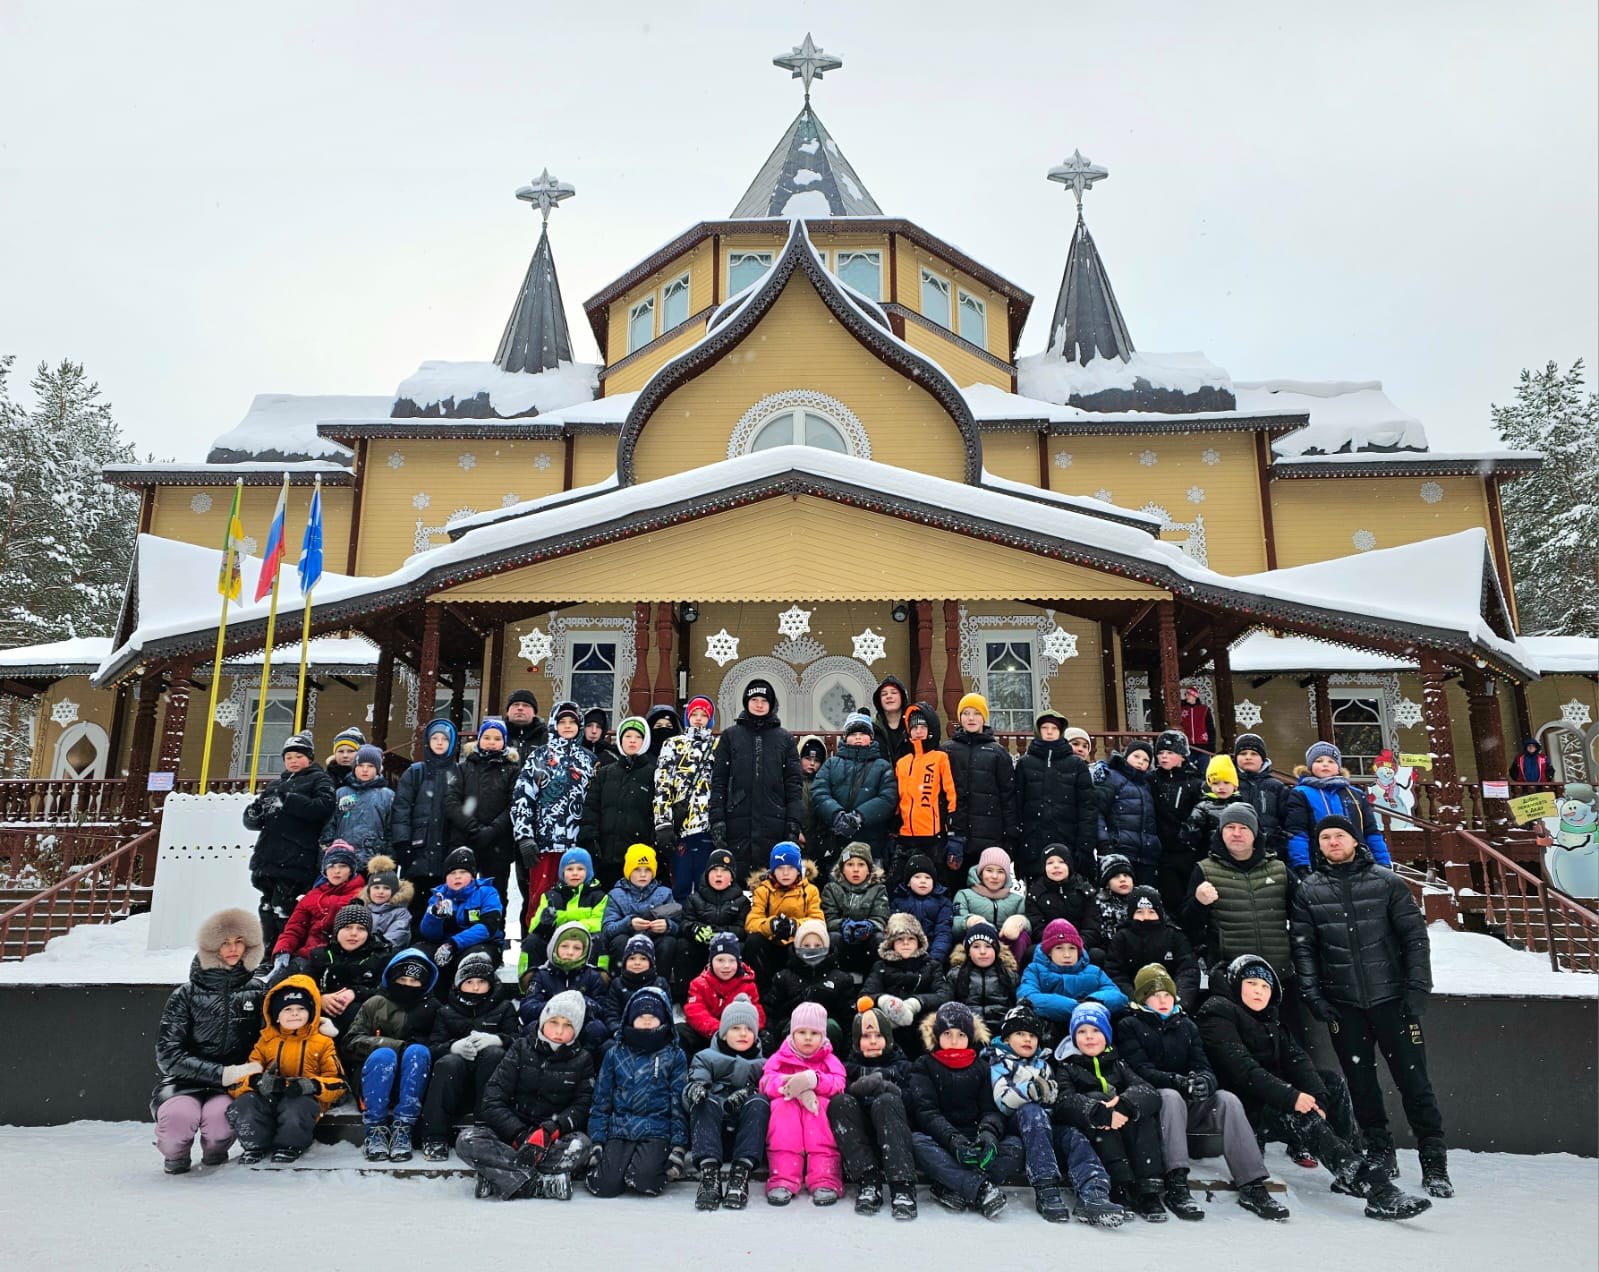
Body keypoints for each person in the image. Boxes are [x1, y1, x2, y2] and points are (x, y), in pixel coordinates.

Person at [1197, 955, 1430, 1221]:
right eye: (1251, 983)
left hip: (1272, 1097)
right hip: (1241, 1108)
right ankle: (1376, 1189)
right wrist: (1292, 1097)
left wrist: (1318, 1097)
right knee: (1301, 1115)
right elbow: (1241, 1069)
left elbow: (1297, 1059)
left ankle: (1350, 1167)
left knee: (1331, 1081)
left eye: (1265, 986)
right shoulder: (1217, 1011)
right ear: (1237, 983)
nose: (1259, 991)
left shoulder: (1269, 1018)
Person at [1291, 814, 1451, 1197]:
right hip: (1343, 1006)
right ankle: (1380, 1153)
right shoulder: (1309, 890)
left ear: (1355, 840)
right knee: (1361, 1086)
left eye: (1339, 836)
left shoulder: (1387, 883)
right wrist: (1314, 995)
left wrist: (1417, 990)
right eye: (1325, 837)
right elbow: (1304, 948)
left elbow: (1415, 939)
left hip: (1392, 1001)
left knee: (1415, 1084)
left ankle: (1434, 1163)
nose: (1332, 842)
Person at [1116, 963, 1286, 1221]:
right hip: (1154, 1107)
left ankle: (1252, 1183)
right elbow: (1141, 1071)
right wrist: (1176, 1081)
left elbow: (1203, 1065)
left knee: (1227, 1100)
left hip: (1189, 1102)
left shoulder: (1187, 1024)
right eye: (1155, 995)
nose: (1163, 1000)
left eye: (1167, 995)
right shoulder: (1129, 1024)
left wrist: (1204, 1081)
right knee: (1170, 1097)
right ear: (1143, 998)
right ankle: (1177, 1182)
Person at [988, 1004, 1125, 1226]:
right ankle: (1046, 1186)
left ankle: (1094, 1191)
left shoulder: (1044, 1063)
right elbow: (1002, 1100)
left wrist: (1049, 1096)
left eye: (1032, 1035)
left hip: (1047, 1123)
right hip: (1017, 1124)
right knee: (1032, 1112)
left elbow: (1054, 1097)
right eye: (1020, 1034)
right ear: (1006, 1039)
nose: (1027, 1040)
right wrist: (1031, 1091)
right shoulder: (1000, 1061)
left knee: (1074, 1136)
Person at [152, 908, 267, 1174]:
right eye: (225, 942)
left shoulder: (258, 990)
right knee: (178, 1119)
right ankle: (176, 1156)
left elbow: (270, 1037)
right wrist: (222, 1073)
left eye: (239, 941)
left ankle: (215, 1156)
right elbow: (169, 1055)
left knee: (219, 1121)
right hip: (184, 1082)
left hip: (234, 1084)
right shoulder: (185, 995)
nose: (232, 948)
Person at [456, 989, 596, 1201]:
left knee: (580, 1145)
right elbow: (493, 1099)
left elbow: (581, 1106)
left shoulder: (583, 1059)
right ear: (542, 1021)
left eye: (567, 1025)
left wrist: (549, 1131)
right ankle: (540, 1183)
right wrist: (519, 1135)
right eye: (554, 1022)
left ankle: (502, 1177)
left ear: (576, 1030)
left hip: (551, 1137)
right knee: (467, 1140)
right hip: (512, 1133)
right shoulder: (520, 1048)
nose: (559, 1030)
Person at [1051, 1001, 1168, 1221]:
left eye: (1096, 1030)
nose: (1089, 1036)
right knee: (1097, 1099)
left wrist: (1124, 1106)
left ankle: (1148, 1189)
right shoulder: (1068, 1066)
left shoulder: (1118, 1063)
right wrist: (1096, 1110)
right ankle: (1119, 1184)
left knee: (1141, 1113)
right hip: (1095, 1130)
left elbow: (1148, 1091)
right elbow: (1063, 1102)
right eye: (1082, 1031)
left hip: (1124, 1125)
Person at [906, 1001, 1017, 1220]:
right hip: (941, 1138)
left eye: (961, 1034)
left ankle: (950, 1184)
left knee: (1015, 1147)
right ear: (937, 1036)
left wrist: (988, 1133)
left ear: (970, 1037)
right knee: (916, 1143)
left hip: (974, 1136)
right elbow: (926, 1112)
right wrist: (952, 1139)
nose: (954, 1041)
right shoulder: (924, 1065)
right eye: (947, 1033)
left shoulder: (982, 1067)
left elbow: (990, 1109)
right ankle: (980, 1188)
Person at [225, 976, 346, 1165]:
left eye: (301, 1009)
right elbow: (238, 1082)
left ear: (312, 1012)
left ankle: (289, 1145)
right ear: (275, 1015)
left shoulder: (323, 1043)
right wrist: (257, 1082)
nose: (294, 1014)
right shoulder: (265, 1043)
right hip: (271, 1096)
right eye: (287, 1009)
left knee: (295, 1107)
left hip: (303, 1097)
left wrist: (312, 1085)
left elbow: (338, 1084)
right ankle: (255, 1144)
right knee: (245, 1103)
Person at [586, 985, 689, 1198]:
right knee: (604, 1186)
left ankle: (647, 1167)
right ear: (630, 1019)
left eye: (653, 1016)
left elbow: (678, 1102)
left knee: (645, 1180)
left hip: (657, 1129)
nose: (647, 1020)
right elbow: (601, 1099)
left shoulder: (674, 1055)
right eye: (641, 1016)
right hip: (620, 1128)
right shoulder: (614, 1054)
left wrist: (678, 1144)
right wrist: (597, 1139)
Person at [418, 950, 519, 1161]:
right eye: (469, 981)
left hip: (490, 1083)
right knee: (448, 1062)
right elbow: (433, 1047)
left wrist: (498, 1039)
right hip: (455, 1084)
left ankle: (487, 1127)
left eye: (481, 981)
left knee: (493, 1054)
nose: (475, 987)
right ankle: (434, 1135)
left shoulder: (504, 1008)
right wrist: (453, 1046)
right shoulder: (446, 1012)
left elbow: (519, 1042)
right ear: (458, 984)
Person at [243, 731, 336, 956]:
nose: (293, 761)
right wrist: (254, 813)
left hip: (297, 856)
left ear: (309, 758)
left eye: (298, 756)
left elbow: (323, 807)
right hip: (268, 856)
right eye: (289, 757)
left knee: (285, 907)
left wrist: (289, 800)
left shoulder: (319, 779)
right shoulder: (276, 784)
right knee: (266, 906)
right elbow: (254, 820)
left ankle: (286, 952)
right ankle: (268, 952)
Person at [1181, 804, 1295, 986]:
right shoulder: (1204, 870)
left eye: (1244, 828)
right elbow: (1189, 927)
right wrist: (1198, 903)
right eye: (1230, 827)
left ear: (1256, 832)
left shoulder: (1279, 870)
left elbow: (1302, 918)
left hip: (1279, 976)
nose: (1236, 833)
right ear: (1220, 832)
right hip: (1231, 978)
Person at [346, 948, 439, 1163]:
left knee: (418, 1052)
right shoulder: (374, 1004)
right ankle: (376, 1129)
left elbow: (439, 1044)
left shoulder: (433, 1008)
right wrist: (396, 1046)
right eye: (402, 979)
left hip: (414, 1080)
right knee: (384, 1054)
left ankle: (403, 1127)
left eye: (414, 981)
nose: (407, 985)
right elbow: (351, 1042)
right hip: (373, 1079)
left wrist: (411, 1049)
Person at [828, 1005, 918, 1219]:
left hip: (894, 1139)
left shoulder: (903, 1067)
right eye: (866, 1036)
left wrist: (892, 1090)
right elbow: (839, 1091)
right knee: (839, 1102)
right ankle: (868, 1179)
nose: (873, 1041)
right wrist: (855, 1090)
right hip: (861, 1141)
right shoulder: (848, 1067)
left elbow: (917, 1102)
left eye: (878, 1035)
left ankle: (902, 1185)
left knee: (886, 1101)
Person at [709, 679, 803, 875]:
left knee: (771, 884)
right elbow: (719, 781)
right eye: (754, 699)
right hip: (737, 823)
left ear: (771, 705)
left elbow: (794, 785)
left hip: (774, 822)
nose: (759, 705)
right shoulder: (730, 736)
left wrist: (793, 822)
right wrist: (717, 820)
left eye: (764, 700)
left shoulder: (785, 739)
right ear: (746, 702)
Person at [513, 700, 598, 915]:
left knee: (574, 903)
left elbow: (596, 802)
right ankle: (535, 946)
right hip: (544, 844)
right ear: (554, 725)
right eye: (562, 722)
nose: (568, 726)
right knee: (539, 902)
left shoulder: (590, 760)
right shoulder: (539, 756)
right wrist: (524, 836)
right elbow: (523, 797)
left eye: (573, 721)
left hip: (577, 847)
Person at [759, 1000, 847, 1205]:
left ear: (822, 1036)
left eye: (814, 1033)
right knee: (782, 1109)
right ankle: (783, 1177)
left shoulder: (829, 1059)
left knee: (822, 1110)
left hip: (816, 1111)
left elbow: (839, 1083)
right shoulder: (779, 1058)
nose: (808, 1038)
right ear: (792, 1034)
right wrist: (786, 1085)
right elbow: (765, 1082)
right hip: (788, 1108)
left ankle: (825, 1177)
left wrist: (813, 1081)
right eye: (802, 1032)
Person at [686, 993, 770, 1211]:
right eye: (735, 1028)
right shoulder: (705, 1057)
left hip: (745, 1138)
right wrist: (696, 1090)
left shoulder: (765, 1064)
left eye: (749, 1029)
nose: (743, 1033)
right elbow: (696, 1080)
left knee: (760, 1101)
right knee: (705, 1102)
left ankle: (740, 1176)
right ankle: (710, 1177)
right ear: (723, 1033)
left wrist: (750, 1093)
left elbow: (773, 1087)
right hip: (713, 1135)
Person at [940, 693, 1018, 888]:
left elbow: (1008, 797)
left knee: (984, 892)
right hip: (955, 836)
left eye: (976, 713)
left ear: (984, 717)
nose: (971, 718)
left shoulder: (997, 753)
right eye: (966, 713)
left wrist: (1010, 836)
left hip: (988, 837)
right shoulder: (946, 751)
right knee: (955, 890)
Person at [445, 716, 520, 917]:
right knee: (460, 891)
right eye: (487, 737)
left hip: (498, 843)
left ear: (504, 742)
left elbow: (514, 805)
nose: (491, 742)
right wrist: (473, 827)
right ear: (478, 739)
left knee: (494, 894)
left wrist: (493, 830)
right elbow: (451, 801)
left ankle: (494, 936)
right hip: (464, 839)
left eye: (497, 738)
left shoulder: (512, 771)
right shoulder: (463, 767)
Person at [1015, 707, 1098, 880]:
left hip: (1067, 840)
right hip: (1032, 842)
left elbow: (1087, 808)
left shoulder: (1076, 765)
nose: (1050, 732)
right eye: (1045, 728)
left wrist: (1084, 845)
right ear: (1039, 731)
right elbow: (1016, 804)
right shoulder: (1025, 764)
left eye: (1054, 728)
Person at [811, 714, 898, 875]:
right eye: (853, 734)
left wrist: (859, 816)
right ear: (845, 738)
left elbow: (888, 798)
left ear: (871, 738)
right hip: (837, 843)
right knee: (837, 891)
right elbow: (819, 791)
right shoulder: (831, 764)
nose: (858, 738)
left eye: (863, 734)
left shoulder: (882, 766)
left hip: (872, 843)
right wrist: (837, 815)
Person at [1284, 742, 1390, 872]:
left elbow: (1371, 831)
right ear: (1310, 767)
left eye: (1331, 761)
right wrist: (1301, 865)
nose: (1325, 764)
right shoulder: (1301, 793)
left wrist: (1383, 862)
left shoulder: (1355, 794)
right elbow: (1298, 832)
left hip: (1359, 864)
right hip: (1320, 864)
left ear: (1339, 767)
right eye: (1319, 760)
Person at [392, 719, 459, 923]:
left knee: (444, 911)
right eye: (435, 738)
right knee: (414, 909)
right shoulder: (416, 772)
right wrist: (403, 844)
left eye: (444, 739)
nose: (439, 743)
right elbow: (401, 810)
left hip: (447, 854)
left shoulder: (459, 773)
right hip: (417, 853)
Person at [652, 697, 719, 899]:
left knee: (705, 885)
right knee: (680, 885)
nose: (699, 719)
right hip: (680, 827)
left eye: (704, 715)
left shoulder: (718, 746)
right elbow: (662, 785)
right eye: (694, 714)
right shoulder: (673, 744)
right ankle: (679, 927)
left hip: (707, 826)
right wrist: (662, 823)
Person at [579, 714, 656, 888]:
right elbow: (591, 809)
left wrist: (652, 846)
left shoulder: (653, 774)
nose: (632, 741)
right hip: (606, 856)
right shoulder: (605, 772)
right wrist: (591, 841)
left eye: (638, 737)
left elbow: (656, 814)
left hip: (638, 861)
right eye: (628, 736)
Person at [1016, 919, 1127, 1038]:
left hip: (1090, 1029)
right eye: (1059, 948)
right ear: (1049, 952)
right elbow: (1028, 998)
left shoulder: (1094, 971)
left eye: (1072, 948)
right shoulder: (1035, 970)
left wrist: (1092, 1002)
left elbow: (1118, 997)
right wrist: (1076, 1008)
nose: (1067, 954)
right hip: (1050, 1032)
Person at [861, 913, 950, 1058]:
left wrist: (917, 1003)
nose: (906, 943)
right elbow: (865, 995)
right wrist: (884, 1001)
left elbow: (944, 995)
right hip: (890, 1026)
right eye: (900, 939)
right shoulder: (880, 966)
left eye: (911, 939)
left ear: (919, 941)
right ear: (891, 943)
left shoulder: (931, 965)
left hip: (921, 1026)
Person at [516, 921, 610, 1053]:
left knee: (597, 1028)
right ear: (554, 947)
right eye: (564, 946)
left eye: (577, 948)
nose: (570, 952)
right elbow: (527, 1009)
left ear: (585, 951)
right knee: (531, 1027)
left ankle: (585, 1064)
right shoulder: (541, 974)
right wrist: (556, 1006)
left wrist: (581, 1004)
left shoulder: (592, 976)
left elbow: (603, 1010)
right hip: (549, 1027)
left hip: (580, 1029)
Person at [300, 902, 391, 1036]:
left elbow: (387, 994)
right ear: (337, 930)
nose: (354, 933)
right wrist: (320, 998)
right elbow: (301, 986)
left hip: (361, 1027)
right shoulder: (320, 955)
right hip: (320, 1024)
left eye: (361, 928)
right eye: (347, 927)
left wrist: (355, 993)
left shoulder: (380, 958)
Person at [1102, 886, 1201, 1007]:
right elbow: (1115, 973)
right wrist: (1134, 1000)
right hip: (1134, 1006)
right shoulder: (1122, 937)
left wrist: (1177, 1001)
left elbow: (1188, 971)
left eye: (1151, 912)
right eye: (1139, 912)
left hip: (1171, 1004)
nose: (1145, 917)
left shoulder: (1174, 936)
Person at [270, 841, 366, 966]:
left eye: (342, 866)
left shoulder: (363, 895)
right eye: (331, 866)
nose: (336, 871)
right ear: (325, 870)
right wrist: (283, 950)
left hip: (344, 957)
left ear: (351, 870)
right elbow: (294, 929)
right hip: (308, 956)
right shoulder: (312, 896)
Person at [743, 840, 823, 986]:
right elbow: (751, 922)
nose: (785, 873)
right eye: (780, 868)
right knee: (753, 942)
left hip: (797, 946)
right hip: (771, 944)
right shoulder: (763, 890)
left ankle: (801, 988)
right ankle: (761, 989)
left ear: (798, 870)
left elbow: (818, 922)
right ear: (773, 870)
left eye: (790, 868)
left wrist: (795, 926)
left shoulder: (810, 890)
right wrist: (772, 925)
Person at [893, 702, 956, 882]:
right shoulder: (902, 762)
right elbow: (898, 796)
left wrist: (951, 820)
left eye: (922, 726)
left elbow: (951, 792)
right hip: (905, 835)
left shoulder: (940, 758)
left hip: (933, 836)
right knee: (901, 881)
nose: (918, 731)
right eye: (914, 727)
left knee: (933, 882)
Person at [766, 918, 855, 1044]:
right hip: (791, 1041)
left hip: (828, 1043)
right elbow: (771, 1013)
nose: (812, 950)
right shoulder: (783, 978)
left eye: (818, 946)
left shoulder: (840, 979)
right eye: (806, 946)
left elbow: (848, 1019)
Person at [599, 843, 680, 982]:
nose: (643, 875)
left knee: (669, 942)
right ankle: (620, 985)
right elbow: (607, 930)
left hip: (655, 940)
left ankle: (660, 985)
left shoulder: (665, 893)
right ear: (628, 871)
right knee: (619, 942)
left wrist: (668, 926)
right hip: (628, 940)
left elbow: (679, 926)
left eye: (647, 870)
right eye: (637, 869)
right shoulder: (616, 894)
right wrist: (629, 924)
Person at [522, 846, 608, 973]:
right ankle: (530, 982)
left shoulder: (598, 896)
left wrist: (567, 923)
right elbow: (533, 927)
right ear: (562, 873)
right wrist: (544, 922)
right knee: (532, 941)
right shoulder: (550, 896)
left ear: (588, 872)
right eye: (569, 869)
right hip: (555, 941)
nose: (574, 873)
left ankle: (599, 979)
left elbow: (598, 923)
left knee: (599, 940)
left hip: (584, 941)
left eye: (580, 869)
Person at [419, 847, 505, 972]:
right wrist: (435, 916)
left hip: (482, 945)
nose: (457, 877)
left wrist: (454, 943)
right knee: (418, 957)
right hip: (443, 947)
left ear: (472, 876)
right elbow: (430, 936)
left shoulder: (487, 892)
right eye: (452, 873)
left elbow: (488, 927)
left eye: (463, 872)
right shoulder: (439, 896)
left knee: (473, 963)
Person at [680, 846, 752, 992]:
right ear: (707, 874)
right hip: (701, 946)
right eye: (714, 870)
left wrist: (720, 933)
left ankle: (739, 990)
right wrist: (695, 929)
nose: (719, 875)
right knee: (683, 945)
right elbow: (685, 922)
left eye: (725, 870)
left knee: (746, 946)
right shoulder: (694, 899)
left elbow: (742, 928)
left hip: (729, 950)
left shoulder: (742, 901)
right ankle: (685, 995)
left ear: (732, 877)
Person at [683, 931, 765, 1052]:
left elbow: (757, 1014)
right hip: (708, 1034)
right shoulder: (699, 984)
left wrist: (738, 1031)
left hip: (739, 1037)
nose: (726, 966)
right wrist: (720, 1030)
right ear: (711, 962)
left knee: (765, 1037)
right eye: (720, 960)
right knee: (682, 1032)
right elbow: (695, 1011)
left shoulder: (748, 985)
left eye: (732, 960)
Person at [1150, 729, 1204, 912]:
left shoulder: (1195, 782)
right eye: (1160, 752)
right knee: (1171, 900)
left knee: (1192, 899)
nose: (1164, 757)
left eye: (1170, 752)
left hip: (1189, 851)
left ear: (1182, 756)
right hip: (1163, 852)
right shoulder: (1152, 780)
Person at [1096, 741, 1161, 890]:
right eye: (1136, 756)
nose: (1140, 762)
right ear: (1126, 756)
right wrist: (1104, 843)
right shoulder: (1112, 777)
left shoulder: (1147, 784)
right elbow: (1097, 811)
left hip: (1146, 856)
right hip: (1120, 851)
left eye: (1146, 760)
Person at [821, 841, 891, 977]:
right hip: (843, 945)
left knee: (879, 939)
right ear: (842, 869)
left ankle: (878, 977)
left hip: (867, 944)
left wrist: (870, 926)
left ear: (869, 869)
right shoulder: (831, 889)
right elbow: (828, 919)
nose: (856, 869)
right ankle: (834, 977)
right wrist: (843, 925)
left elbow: (881, 917)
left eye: (861, 864)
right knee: (833, 938)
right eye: (850, 864)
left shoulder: (878, 889)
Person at [952, 845, 1030, 967]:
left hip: (1006, 949)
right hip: (977, 945)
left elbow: (1029, 926)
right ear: (981, 873)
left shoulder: (1017, 899)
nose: (994, 876)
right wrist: (970, 921)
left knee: (1022, 937)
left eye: (1000, 872)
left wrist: (1019, 922)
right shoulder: (964, 895)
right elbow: (955, 925)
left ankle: (1013, 975)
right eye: (989, 870)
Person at [322, 743, 395, 867]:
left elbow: (391, 830)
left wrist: (389, 855)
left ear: (378, 769)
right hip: (342, 859)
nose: (365, 770)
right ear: (354, 767)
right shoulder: (341, 793)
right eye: (360, 765)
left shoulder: (387, 796)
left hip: (374, 860)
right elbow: (330, 825)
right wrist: (326, 849)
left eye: (370, 766)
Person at [945, 921, 1019, 1036]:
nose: (983, 952)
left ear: (996, 949)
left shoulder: (1009, 974)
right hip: (968, 1032)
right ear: (968, 952)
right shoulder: (956, 974)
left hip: (1002, 1031)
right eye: (976, 946)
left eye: (988, 946)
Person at [600, 934, 674, 1038]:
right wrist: (617, 1031)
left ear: (651, 962)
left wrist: (660, 1031)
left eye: (643, 958)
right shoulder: (617, 984)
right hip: (624, 1034)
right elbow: (612, 1013)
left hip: (655, 1032)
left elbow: (667, 1013)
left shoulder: (660, 983)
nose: (637, 963)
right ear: (625, 962)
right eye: (632, 958)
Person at [1232, 733, 1289, 859]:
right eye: (1243, 753)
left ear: (1262, 759)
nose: (1248, 757)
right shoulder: (1229, 784)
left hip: (1268, 851)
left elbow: (1286, 821)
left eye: (1254, 754)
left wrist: (1277, 839)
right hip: (1234, 849)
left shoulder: (1276, 787)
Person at [889, 854, 954, 965]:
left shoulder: (943, 903)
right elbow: (893, 933)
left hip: (931, 955)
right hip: (904, 953)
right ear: (908, 882)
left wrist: (935, 958)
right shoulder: (898, 902)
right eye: (917, 877)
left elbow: (943, 933)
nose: (923, 881)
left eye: (928, 877)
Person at [1024, 843, 1096, 940]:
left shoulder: (1084, 891)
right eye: (1050, 863)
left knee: (1097, 954)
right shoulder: (1035, 894)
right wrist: (1056, 945)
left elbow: (1091, 927)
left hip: (1080, 945)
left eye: (1061, 862)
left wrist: (1077, 945)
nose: (1056, 866)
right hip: (1049, 947)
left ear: (1069, 864)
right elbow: (1037, 929)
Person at [1084, 853, 1139, 961]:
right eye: (1116, 876)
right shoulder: (1098, 904)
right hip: (1112, 952)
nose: (1122, 879)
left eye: (1126, 875)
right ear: (1107, 883)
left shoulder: (1143, 899)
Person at [358, 855, 413, 950]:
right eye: (376, 887)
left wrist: (371, 945)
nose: (380, 892)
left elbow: (397, 935)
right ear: (369, 891)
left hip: (387, 954)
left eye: (386, 888)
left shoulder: (401, 913)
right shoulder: (361, 909)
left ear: (394, 891)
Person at [871, 674, 914, 765]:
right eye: (884, 694)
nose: (889, 696)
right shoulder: (872, 729)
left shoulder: (914, 725)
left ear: (902, 697)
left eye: (894, 693)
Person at [797, 733, 828, 851]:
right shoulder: (790, 781)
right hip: (797, 836)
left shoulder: (824, 782)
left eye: (817, 760)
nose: (812, 763)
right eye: (807, 758)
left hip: (817, 839)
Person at [501, 688, 547, 757]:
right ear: (508, 711)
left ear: (534, 712)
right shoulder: (498, 734)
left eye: (525, 705)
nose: (520, 708)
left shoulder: (546, 736)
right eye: (516, 704)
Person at [1179, 685, 1218, 754]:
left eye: (1189, 695)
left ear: (1195, 696)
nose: (1186, 697)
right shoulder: (1182, 709)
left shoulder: (1204, 709)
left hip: (1203, 745)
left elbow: (1210, 728)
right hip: (1188, 745)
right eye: (1186, 695)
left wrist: (1212, 745)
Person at [325, 726, 366, 791]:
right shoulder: (324, 778)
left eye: (350, 751)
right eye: (340, 751)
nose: (345, 755)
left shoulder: (369, 777)